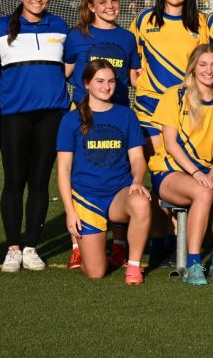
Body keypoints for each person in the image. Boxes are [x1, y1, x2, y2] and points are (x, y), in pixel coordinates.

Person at [0, 0, 71, 274]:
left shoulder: (60, 26)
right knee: (14, 181)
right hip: (13, 115)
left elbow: (68, 67)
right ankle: (13, 248)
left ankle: (31, 247)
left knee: (39, 182)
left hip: (51, 115)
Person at [57, 59, 153, 284]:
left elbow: (137, 158)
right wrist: (70, 211)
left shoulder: (126, 115)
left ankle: (134, 266)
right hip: (87, 197)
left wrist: (137, 181)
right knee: (96, 272)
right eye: (99, 81)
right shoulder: (71, 119)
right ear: (86, 83)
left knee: (141, 202)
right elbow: (64, 168)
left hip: (119, 194)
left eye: (111, 81)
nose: (106, 86)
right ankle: (88, 250)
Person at [149, 44, 213, 286]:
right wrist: (197, 172)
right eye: (203, 64)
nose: (209, 70)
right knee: (203, 192)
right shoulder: (175, 95)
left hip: (206, 171)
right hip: (170, 170)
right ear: (193, 68)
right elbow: (170, 143)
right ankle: (194, 263)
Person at [132, 0, 209, 152]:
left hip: (186, 103)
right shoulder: (145, 19)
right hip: (149, 103)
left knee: (180, 161)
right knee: (153, 160)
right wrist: (137, 81)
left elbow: (206, 64)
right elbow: (130, 58)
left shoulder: (200, 22)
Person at [66, 0, 140, 106]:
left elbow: (134, 79)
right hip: (83, 109)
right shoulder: (77, 35)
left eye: (114, 0)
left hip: (118, 109)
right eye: (102, 2)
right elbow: (64, 73)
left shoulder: (128, 37)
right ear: (91, 7)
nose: (110, 6)